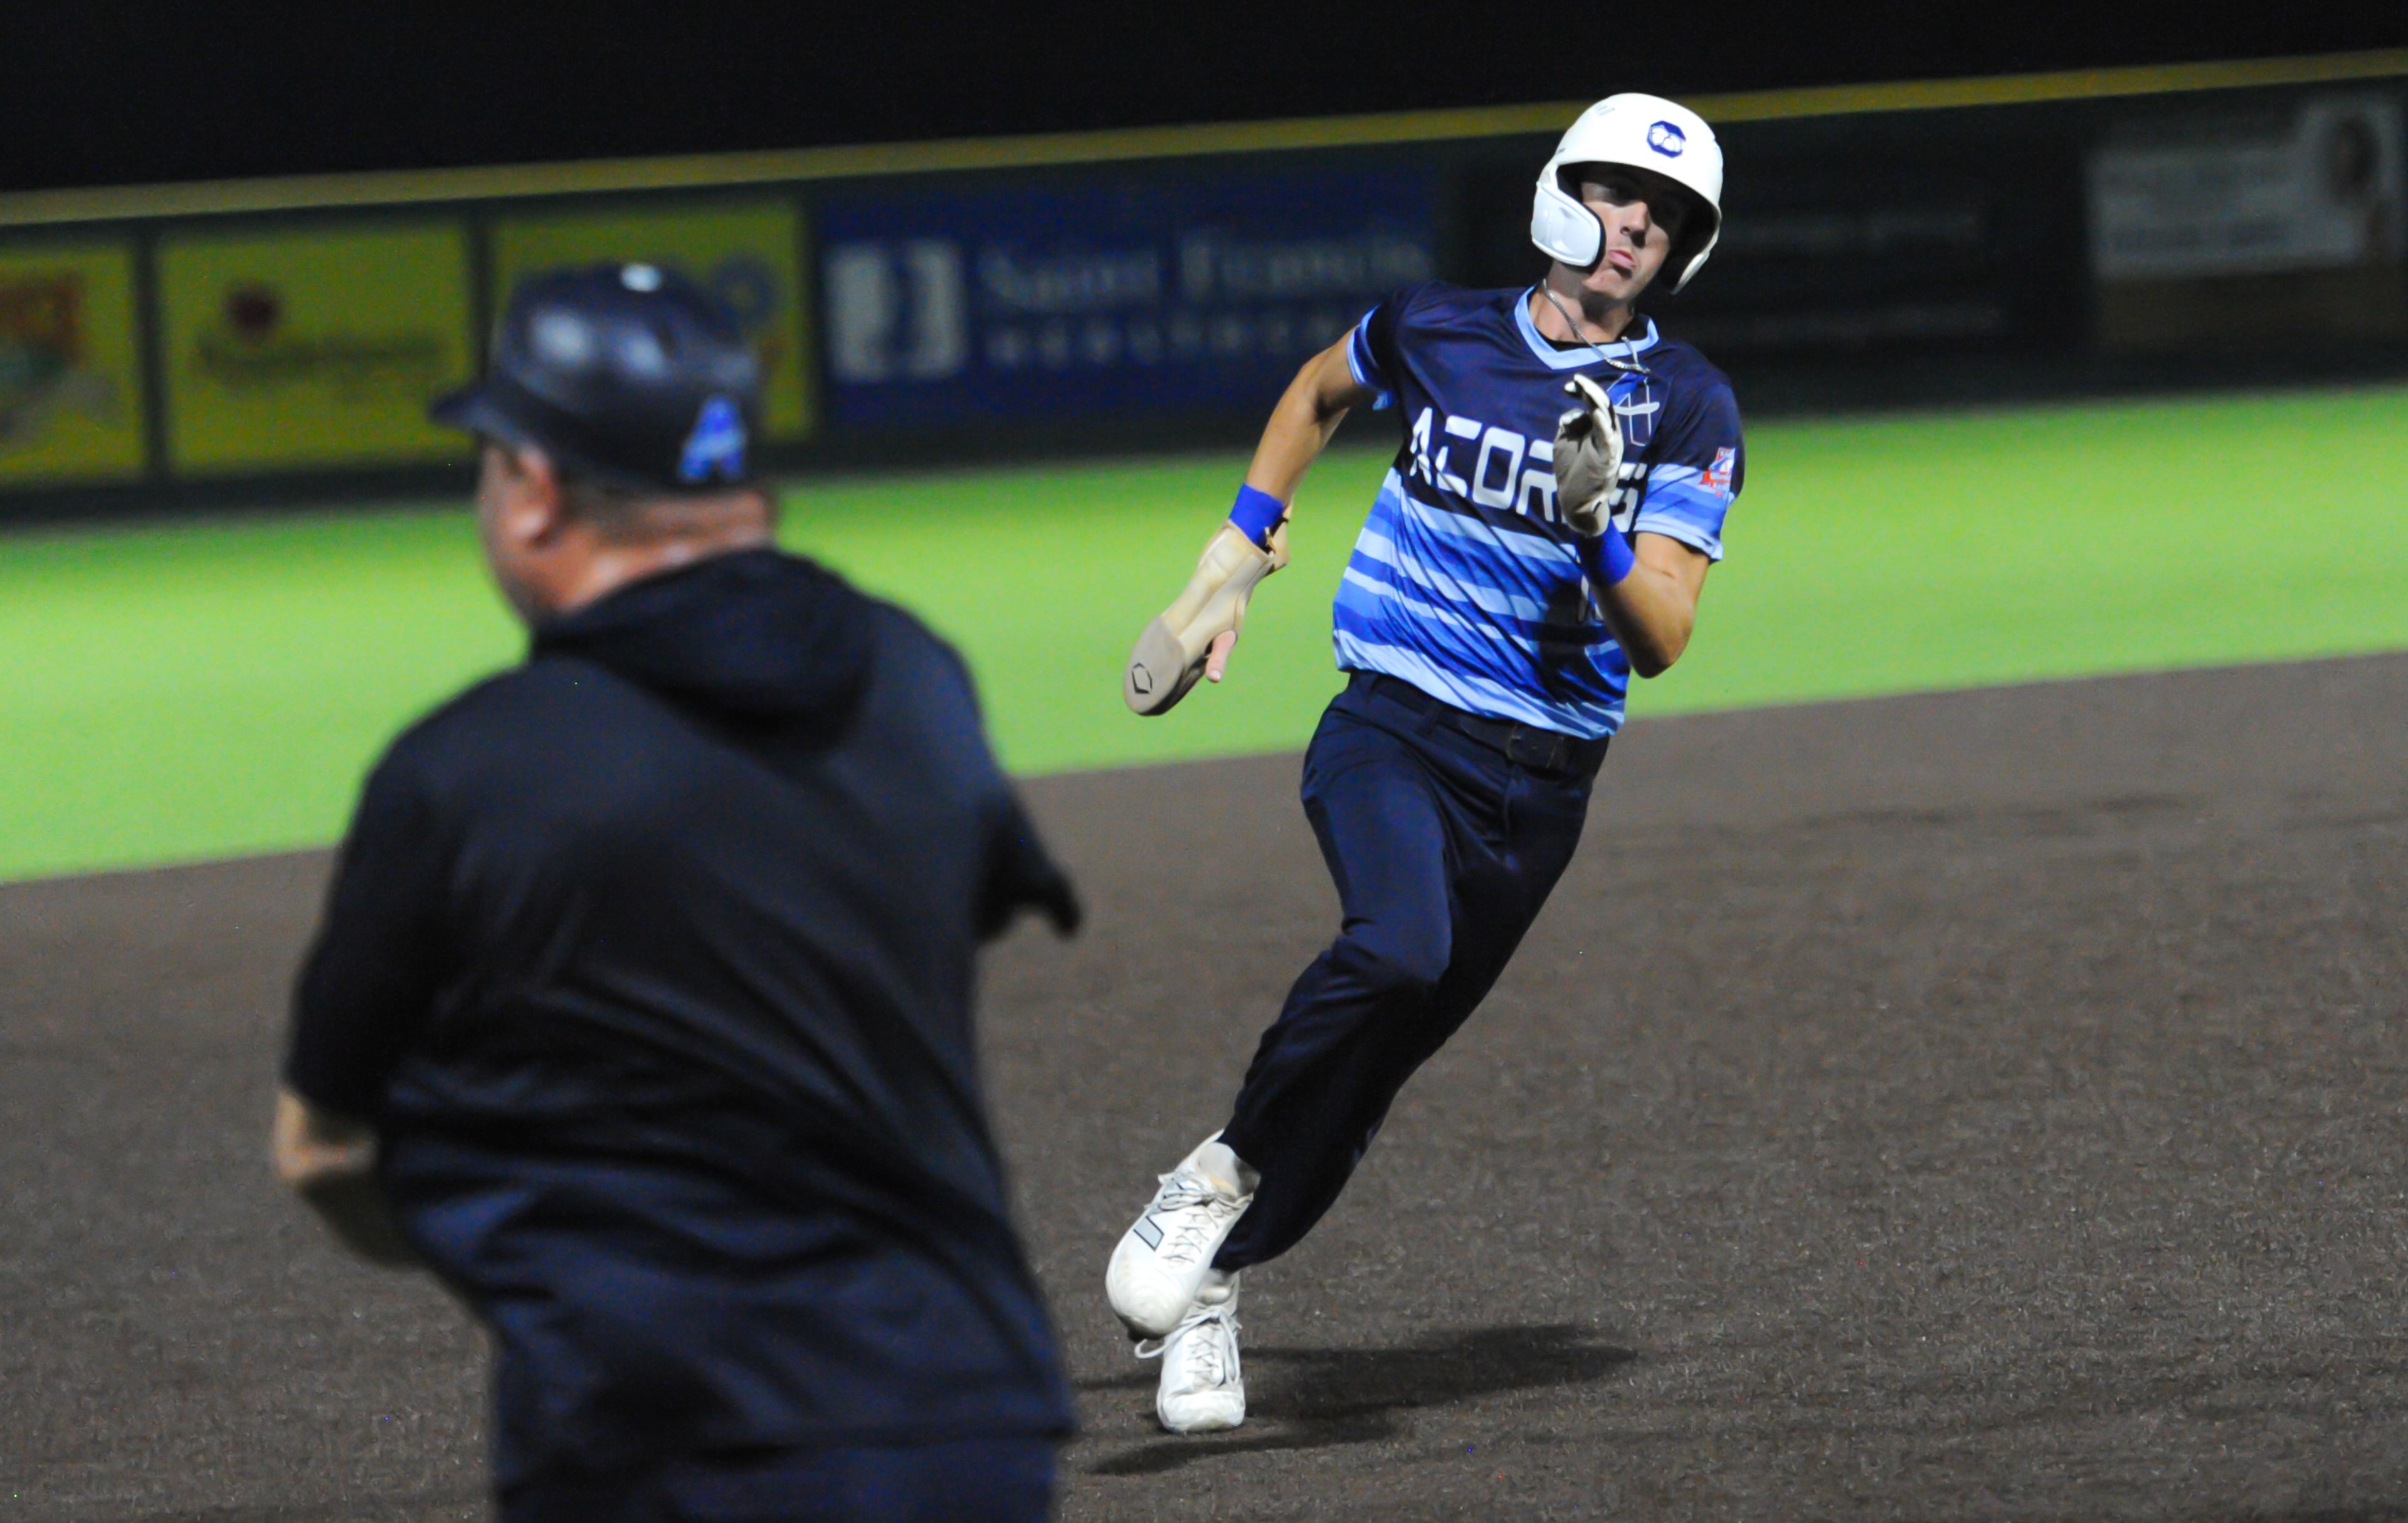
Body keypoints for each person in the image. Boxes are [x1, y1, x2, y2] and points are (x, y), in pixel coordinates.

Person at [270, 263, 1080, 1520]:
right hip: (960, 1413)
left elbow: (325, 1148)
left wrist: (495, 1247)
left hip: (659, 1441)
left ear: (535, 491)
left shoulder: (468, 772)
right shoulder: (918, 678)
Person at [1107, 95, 1746, 1433]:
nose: (1636, 231)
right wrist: (1237, 551)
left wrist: (1597, 533)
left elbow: (1666, 637)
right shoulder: (1439, 326)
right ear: (1565, 194)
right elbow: (1317, 390)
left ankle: (1218, 1284)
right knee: (1394, 949)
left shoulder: (1684, 403)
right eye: (1621, 198)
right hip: (1393, 723)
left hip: (1542, 785)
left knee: (1368, 1077)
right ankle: (1213, 1176)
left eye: (1666, 220)